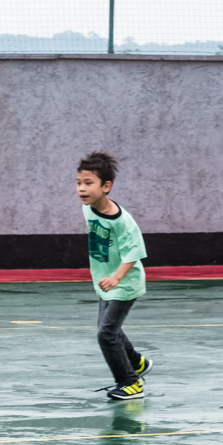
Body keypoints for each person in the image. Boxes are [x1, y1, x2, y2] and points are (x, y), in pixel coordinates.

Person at [77, 151, 153, 400]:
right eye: (79, 183)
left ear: (106, 186)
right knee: (109, 329)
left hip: (124, 283)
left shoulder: (123, 221)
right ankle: (137, 362)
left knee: (106, 333)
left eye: (89, 183)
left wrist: (117, 278)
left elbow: (135, 253)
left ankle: (131, 383)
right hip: (105, 281)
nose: (82, 189)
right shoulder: (88, 209)